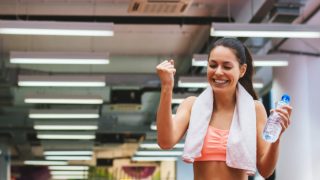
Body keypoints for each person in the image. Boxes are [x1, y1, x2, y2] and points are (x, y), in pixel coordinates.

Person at [156, 38, 292, 180]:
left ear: (242, 70)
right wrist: (166, 87)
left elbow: (265, 170)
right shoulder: (192, 106)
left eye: (227, 67)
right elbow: (165, 142)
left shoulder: (254, 109)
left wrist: (277, 136)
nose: (218, 72)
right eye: (213, 65)